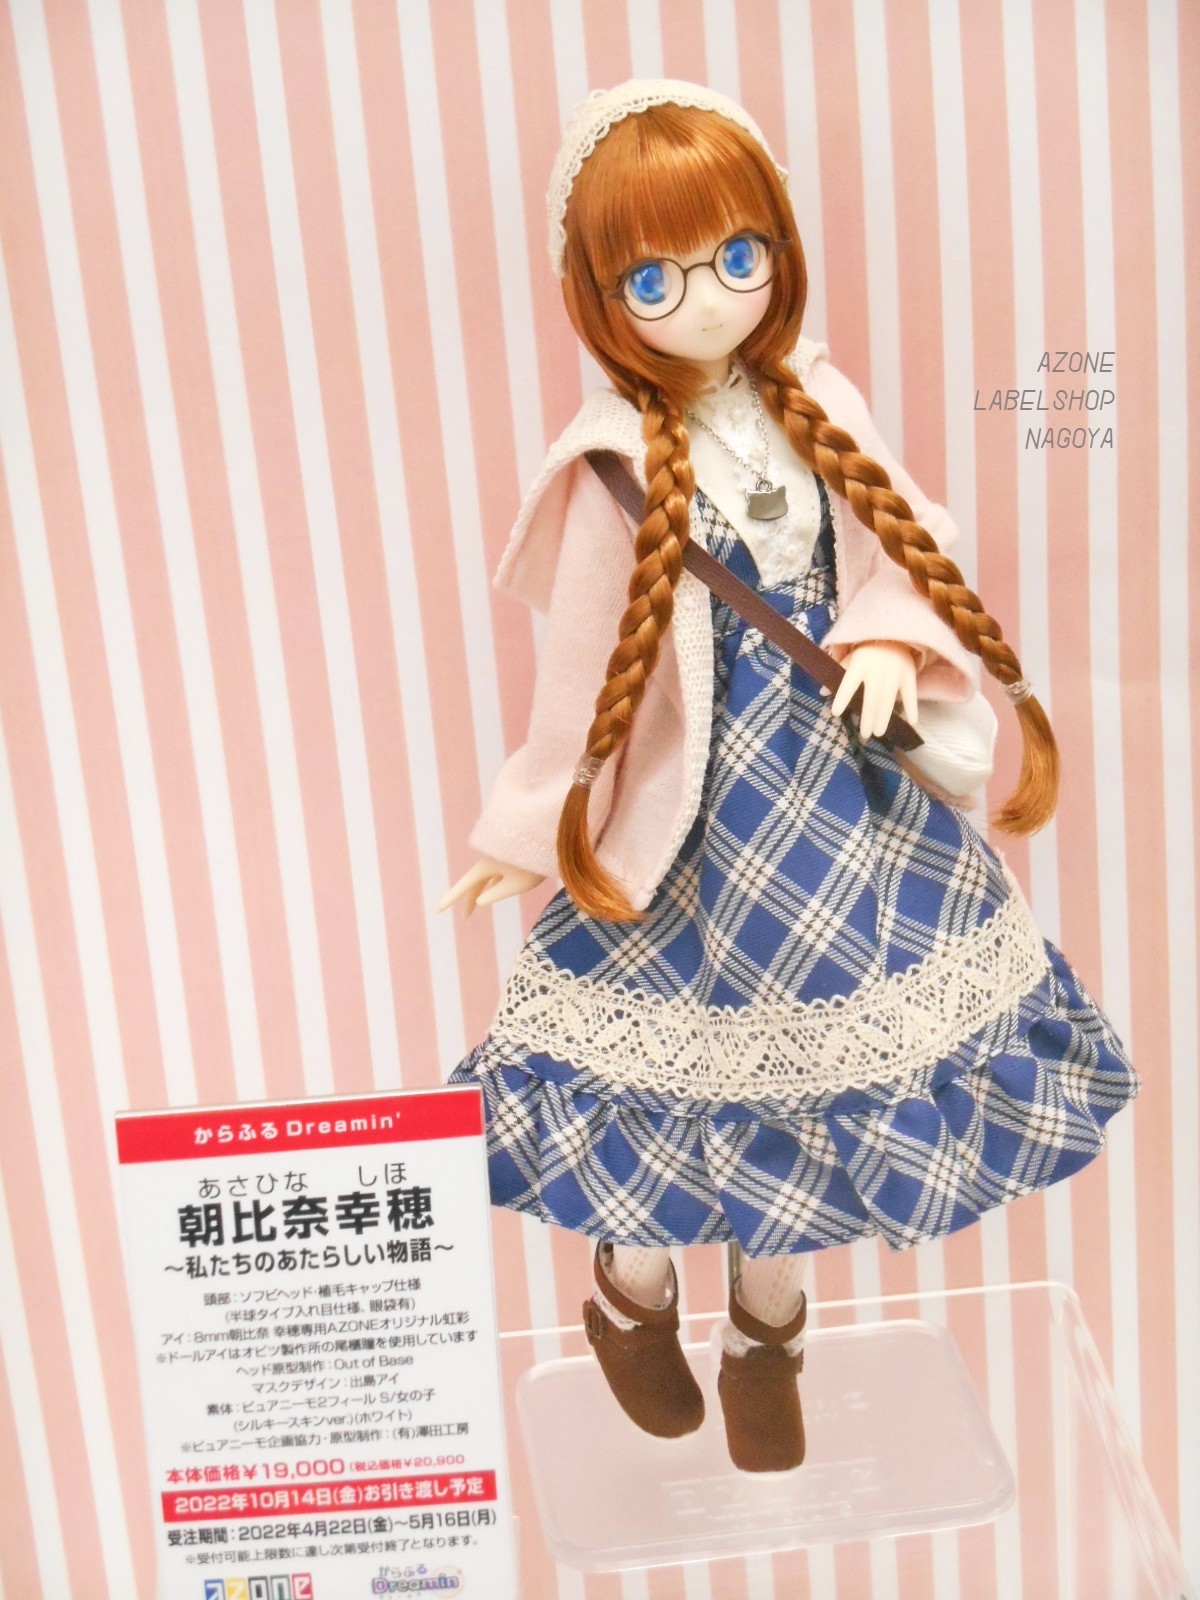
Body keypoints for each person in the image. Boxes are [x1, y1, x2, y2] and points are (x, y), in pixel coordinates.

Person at [439, 80, 1137, 1473]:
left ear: (779, 248)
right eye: (656, 279)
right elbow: (581, 672)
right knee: (664, 1066)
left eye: (736, 257)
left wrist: (885, 637)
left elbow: (907, 536)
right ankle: (633, 1291)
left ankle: (768, 1330)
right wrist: (527, 824)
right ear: (600, 296)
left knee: (817, 1071)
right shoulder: (609, 464)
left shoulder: (818, 397)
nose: (706, 300)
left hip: (840, 811)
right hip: (687, 816)